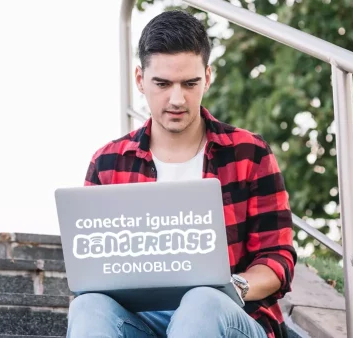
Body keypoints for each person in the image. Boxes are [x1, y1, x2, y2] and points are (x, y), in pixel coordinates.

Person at [67, 9, 297, 338]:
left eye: (190, 83)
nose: (177, 99)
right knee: (87, 307)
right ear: (140, 80)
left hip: (229, 317)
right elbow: (89, 276)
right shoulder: (108, 163)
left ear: (208, 77)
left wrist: (236, 286)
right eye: (162, 83)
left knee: (202, 300)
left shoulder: (249, 154)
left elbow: (278, 258)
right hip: (142, 321)